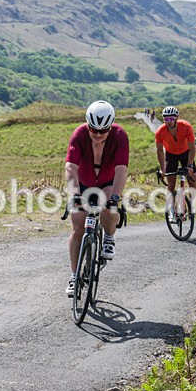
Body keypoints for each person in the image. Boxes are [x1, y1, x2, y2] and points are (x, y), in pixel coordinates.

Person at [64, 100, 129, 295]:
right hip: (84, 183)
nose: (98, 134)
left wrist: (115, 197)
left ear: (111, 126)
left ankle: (108, 237)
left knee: (110, 207)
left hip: (107, 182)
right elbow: (70, 167)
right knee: (77, 225)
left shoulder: (119, 136)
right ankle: (75, 276)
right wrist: (75, 194)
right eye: (94, 130)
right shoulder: (79, 134)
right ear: (88, 124)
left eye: (103, 130)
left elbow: (121, 169)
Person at [155, 105, 196, 217]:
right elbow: (159, 151)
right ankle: (171, 210)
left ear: (176, 118)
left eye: (171, 118)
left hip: (186, 153)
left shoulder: (186, 127)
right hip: (170, 155)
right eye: (166, 119)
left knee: (192, 181)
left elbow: (192, 148)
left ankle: (192, 206)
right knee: (171, 184)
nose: (169, 121)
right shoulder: (160, 132)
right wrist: (162, 168)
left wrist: (189, 165)